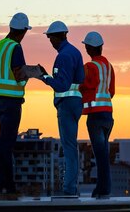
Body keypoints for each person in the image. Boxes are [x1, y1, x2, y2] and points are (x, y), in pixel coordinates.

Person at [38, 21, 85, 196]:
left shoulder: (63, 56)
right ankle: (71, 186)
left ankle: (69, 188)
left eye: (50, 38)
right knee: (72, 146)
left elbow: (61, 85)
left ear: (57, 37)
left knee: (69, 147)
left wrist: (44, 77)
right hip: (76, 104)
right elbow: (79, 77)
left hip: (65, 105)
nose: (50, 41)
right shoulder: (75, 52)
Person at [0, 12, 32, 199]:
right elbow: (18, 73)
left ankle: (4, 184)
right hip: (11, 100)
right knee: (6, 144)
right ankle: (4, 186)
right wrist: (29, 77)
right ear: (22, 31)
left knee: (4, 142)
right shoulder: (16, 47)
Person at [79, 31, 115, 199]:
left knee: (100, 154)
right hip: (108, 114)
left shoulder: (90, 67)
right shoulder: (108, 66)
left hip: (95, 116)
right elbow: (111, 91)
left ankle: (103, 189)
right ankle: (103, 188)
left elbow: (84, 85)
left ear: (88, 48)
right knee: (103, 153)